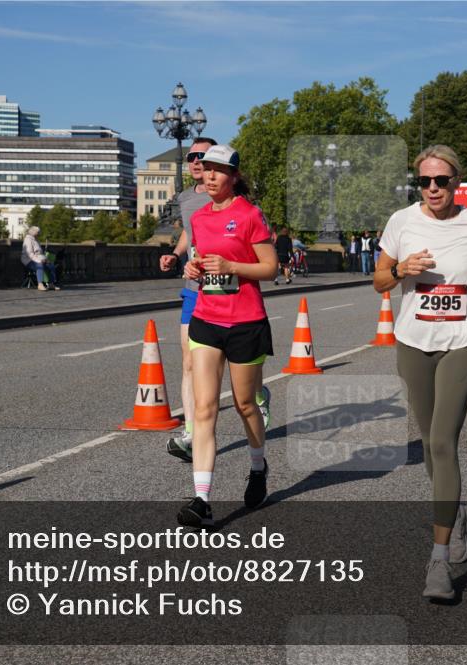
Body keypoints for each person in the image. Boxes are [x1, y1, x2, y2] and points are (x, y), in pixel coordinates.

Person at [374, 145, 467, 600]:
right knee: (431, 446)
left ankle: (438, 560)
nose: (433, 188)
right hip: (414, 344)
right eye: (425, 181)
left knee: (441, 443)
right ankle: (460, 513)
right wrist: (399, 268)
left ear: (457, 183)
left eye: (442, 181)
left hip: (463, 343)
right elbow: (378, 280)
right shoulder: (401, 222)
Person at [177, 145, 279, 528]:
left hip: (246, 322)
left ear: (234, 176)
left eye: (220, 170)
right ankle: (201, 499)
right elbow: (204, 261)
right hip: (206, 317)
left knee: (245, 404)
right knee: (203, 409)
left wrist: (233, 265)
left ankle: (257, 466)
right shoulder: (200, 218)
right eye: (208, 169)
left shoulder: (250, 215)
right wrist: (194, 268)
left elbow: (270, 268)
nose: (211, 175)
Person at [161, 137, 229, 461]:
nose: (196, 161)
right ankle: (191, 434)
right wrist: (175, 254)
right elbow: (190, 231)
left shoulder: (230, 197)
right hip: (193, 289)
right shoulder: (187, 198)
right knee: (189, 362)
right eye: (191, 157)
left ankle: (257, 395)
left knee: (229, 365)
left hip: (228, 291)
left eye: (203, 156)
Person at [21, 226, 59, 291]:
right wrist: (40, 260)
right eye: (37, 232)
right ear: (33, 232)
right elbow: (30, 253)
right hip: (28, 260)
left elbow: (40, 253)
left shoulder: (36, 240)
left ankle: (51, 284)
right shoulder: (28, 239)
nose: (39, 234)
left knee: (51, 265)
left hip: (38, 259)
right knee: (39, 266)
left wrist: (45, 259)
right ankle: (40, 284)